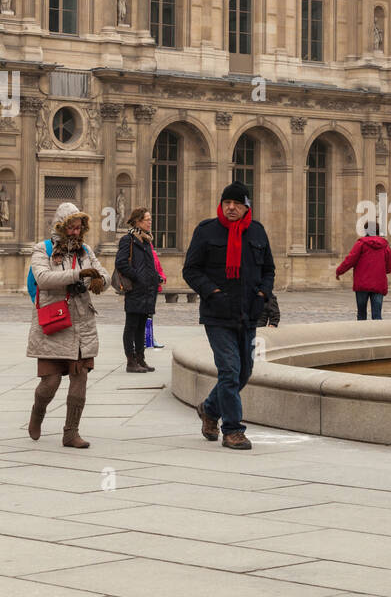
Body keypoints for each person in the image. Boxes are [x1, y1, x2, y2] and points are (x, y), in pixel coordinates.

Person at [182, 181, 276, 451]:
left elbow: (268, 270)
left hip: (248, 314)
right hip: (218, 314)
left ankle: (210, 409)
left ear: (247, 207)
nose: (231, 208)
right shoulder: (206, 230)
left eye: (236, 203)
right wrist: (213, 292)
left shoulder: (257, 232)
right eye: (227, 203)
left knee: (244, 372)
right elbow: (191, 270)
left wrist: (263, 295)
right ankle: (233, 430)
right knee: (230, 370)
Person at [26, 202, 108, 449]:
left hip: (82, 323)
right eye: (71, 228)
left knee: (80, 377)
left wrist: (98, 281)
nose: (75, 232)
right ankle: (38, 412)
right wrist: (77, 275)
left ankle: (71, 432)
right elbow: (43, 278)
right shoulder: (43, 249)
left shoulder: (86, 251)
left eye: (78, 228)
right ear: (60, 228)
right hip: (54, 322)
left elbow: (103, 274)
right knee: (49, 383)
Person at [114, 208, 162, 373]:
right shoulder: (128, 240)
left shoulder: (147, 240)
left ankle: (140, 359)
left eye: (150, 219)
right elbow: (121, 263)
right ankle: (130, 361)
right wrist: (137, 277)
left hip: (148, 290)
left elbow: (149, 265)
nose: (150, 222)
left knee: (142, 325)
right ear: (137, 221)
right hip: (136, 289)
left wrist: (155, 278)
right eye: (147, 219)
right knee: (131, 325)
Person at [335, 222, 391, 320]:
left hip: (362, 283)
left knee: (361, 314)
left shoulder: (361, 244)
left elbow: (350, 260)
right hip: (378, 284)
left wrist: (339, 271)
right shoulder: (385, 246)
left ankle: (362, 333)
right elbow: (388, 268)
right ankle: (375, 333)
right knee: (377, 315)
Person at [146, 248, 167, 350]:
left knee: (150, 315)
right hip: (144, 287)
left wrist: (162, 278)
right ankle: (143, 339)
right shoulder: (139, 249)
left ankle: (149, 338)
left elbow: (159, 268)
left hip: (153, 287)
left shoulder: (152, 251)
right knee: (142, 315)